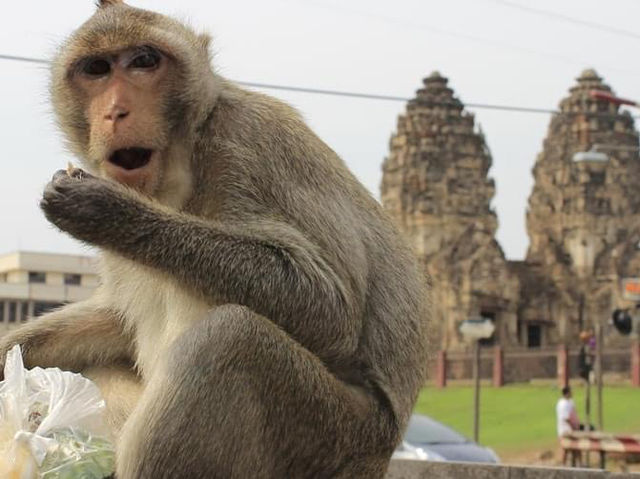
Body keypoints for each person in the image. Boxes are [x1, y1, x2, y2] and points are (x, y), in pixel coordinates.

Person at [556, 386, 581, 466]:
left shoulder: (570, 402)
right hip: (565, 430)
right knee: (566, 448)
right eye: (571, 391)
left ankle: (577, 465)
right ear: (567, 393)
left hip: (573, 428)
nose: (572, 393)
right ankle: (563, 465)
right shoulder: (562, 404)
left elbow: (574, 414)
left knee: (576, 448)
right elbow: (565, 418)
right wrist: (573, 426)